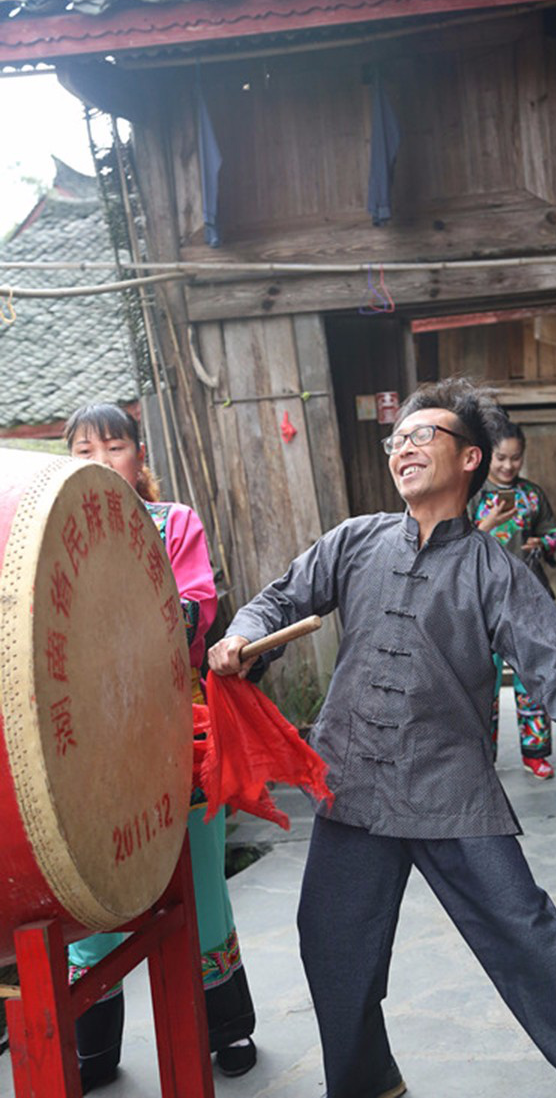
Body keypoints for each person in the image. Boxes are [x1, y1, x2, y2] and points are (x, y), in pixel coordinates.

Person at [210, 376, 556, 1098]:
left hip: (449, 791)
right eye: (397, 438)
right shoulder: (356, 540)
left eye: (422, 435)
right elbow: (280, 597)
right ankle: (367, 1082)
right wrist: (244, 633)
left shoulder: (496, 571)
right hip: (352, 785)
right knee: (332, 945)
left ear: (471, 458)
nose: (403, 448)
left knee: (535, 949)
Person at [64, 404, 257, 1091]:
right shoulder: (51, 537)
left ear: (138, 456)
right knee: (89, 896)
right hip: (88, 749)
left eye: (114, 446)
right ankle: (92, 1050)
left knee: (199, 887)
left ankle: (228, 1028)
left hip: (174, 729)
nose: (100, 460)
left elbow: (194, 611)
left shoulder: (173, 523)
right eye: (84, 449)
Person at [468, 416, 556, 779]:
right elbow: (456, 543)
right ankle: (482, 759)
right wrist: (487, 524)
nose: (509, 466)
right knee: (481, 686)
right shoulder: (472, 494)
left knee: (532, 681)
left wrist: (543, 541)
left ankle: (535, 754)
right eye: (501, 458)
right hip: (481, 604)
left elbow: (554, 533)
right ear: (487, 456)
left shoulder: (533, 494)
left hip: (528, 601)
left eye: (516, 458)